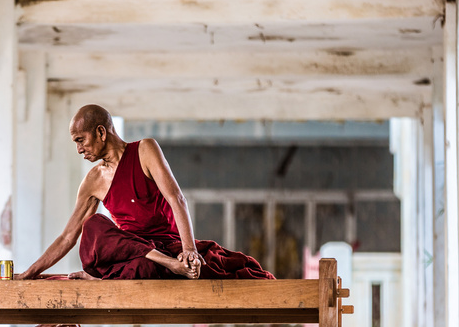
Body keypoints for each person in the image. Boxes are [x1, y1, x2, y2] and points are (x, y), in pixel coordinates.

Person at [16, 104, 274, 281]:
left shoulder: (145, 150)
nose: (79, 149)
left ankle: (169, 262)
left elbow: (177, 199)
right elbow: (67, 237)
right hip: (132, 254)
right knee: (94, 225)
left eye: (80, 140)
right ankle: (168, 265)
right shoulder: (93, 180)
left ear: (101, 132)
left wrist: (188, 252)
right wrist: (30, 272)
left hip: (166, 248)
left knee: (152, 265)